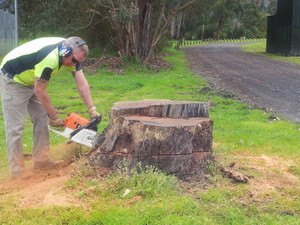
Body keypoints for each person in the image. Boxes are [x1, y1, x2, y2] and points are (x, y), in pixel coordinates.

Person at [0, 36, 101, 179]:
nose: (74, 64)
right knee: (15, 128)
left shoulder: (72, 55)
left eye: (78, 62)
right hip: (13, 79)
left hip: (33, 79)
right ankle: (17, 172)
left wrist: (92, 109)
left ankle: (42, 161)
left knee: (42, 119)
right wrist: (54, 116)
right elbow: (40, 91)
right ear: (65, 52)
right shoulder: (49, 59)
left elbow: (81, 83)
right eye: (73, 61)